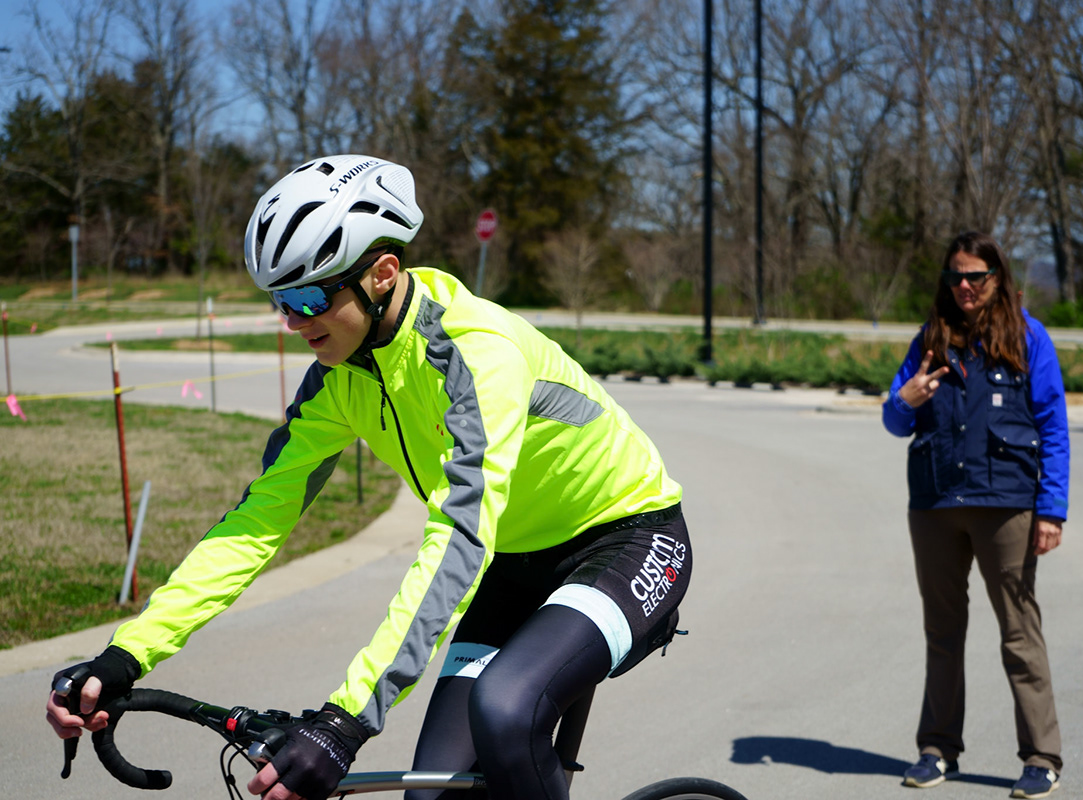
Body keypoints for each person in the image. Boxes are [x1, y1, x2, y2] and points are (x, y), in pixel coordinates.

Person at [45, 154, 691, 800]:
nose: (292, 322)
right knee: (429, 793)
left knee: (505, 710)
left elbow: (459, 540)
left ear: (383, 274)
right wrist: (127, 655)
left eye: (306, 297)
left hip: (627, 541)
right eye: (279, 300)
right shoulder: (338, 379)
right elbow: (255, 522)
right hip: (513, 564)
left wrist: (346, 721)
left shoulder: (477, 354)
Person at [882, 231, 1069, 799]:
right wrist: (904, 399)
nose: (964, 286)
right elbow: (894, 419)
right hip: (936, 503)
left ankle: (1042, 756)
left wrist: (1052, 509)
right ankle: (938, 749)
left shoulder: (1028, 336)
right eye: (955, 277)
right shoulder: (929, 338)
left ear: (997, 278)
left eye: (976, 276)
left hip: (1007, 505)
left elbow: (1054, 425)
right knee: (942, 632)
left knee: (1019, 632)